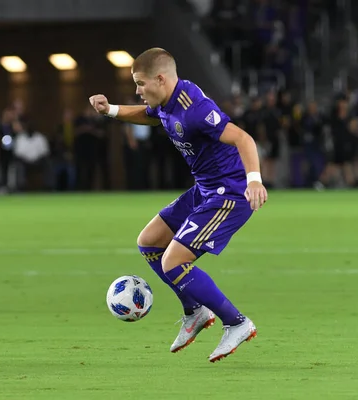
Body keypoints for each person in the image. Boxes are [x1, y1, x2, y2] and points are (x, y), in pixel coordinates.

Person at [89, 48, 267, 363]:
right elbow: (149, 117)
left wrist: (254, 180)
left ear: (161, 78)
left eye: (141, 83)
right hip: (205, 189)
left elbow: (244, 139)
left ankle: (237, 322)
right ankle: (195, 311)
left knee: (173, 262)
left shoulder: (195, 109)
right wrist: (111, 111)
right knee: (149, 242)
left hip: (231, 193)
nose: (137, 91)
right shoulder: (165, 102)